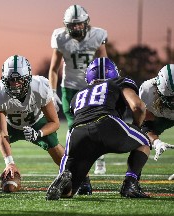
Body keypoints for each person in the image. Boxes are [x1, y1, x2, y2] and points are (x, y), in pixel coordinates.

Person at [46, 57, 151, 201]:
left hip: (77, 133)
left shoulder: (77, 95)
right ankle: (130, 184)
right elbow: (138, 107)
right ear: (113, 73)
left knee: (68, 192)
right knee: (145, 140)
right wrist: (136, 127)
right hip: (107, 124)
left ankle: (65, 180)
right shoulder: (118, 82)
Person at [0, 55, 65, 191]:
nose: (15, 84)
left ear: (27, 78)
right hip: (10, 125)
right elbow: (2, 132)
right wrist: (9, 163)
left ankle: (77, 176)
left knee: (53, 143)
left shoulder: (40, 86)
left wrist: (39, 133)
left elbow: (54, 122)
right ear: (4, 80)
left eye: (19, 80)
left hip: (36, 123)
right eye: (11, 80)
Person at [48, 5, 108, 194]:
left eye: (79, 25)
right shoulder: (60, 37)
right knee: (75, 129)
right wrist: (52, 90)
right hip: (70, 89)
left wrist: (105, 86)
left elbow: (103, 64)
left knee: (97, 125)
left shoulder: (97, 36)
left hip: (91, 87)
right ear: (66, 26)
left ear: (86, 23)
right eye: (72, 26)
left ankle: (99, 157)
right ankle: (82, 172)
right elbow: (53, 68)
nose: (76, 29)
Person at [139, 64, 174, 181]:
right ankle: (131, 180)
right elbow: (145, 126)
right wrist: (156, 142)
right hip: (161, 117)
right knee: (138, 138)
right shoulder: (147, 91)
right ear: (157, 89)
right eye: (170, 99)